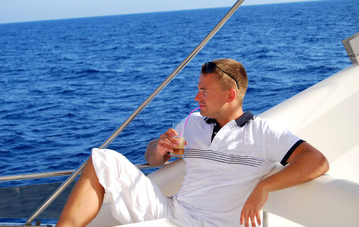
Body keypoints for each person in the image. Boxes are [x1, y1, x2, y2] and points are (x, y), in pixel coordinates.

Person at [57, 58, 329, 227]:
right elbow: (154, 159)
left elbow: (316, 161)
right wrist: (159, 147)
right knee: (102, 159)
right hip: (174, 211)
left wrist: (263, 187)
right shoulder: (193, 123)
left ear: (229, 95)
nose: (197, 97)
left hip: (213, 224)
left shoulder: (263, 132)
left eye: (204, 90)